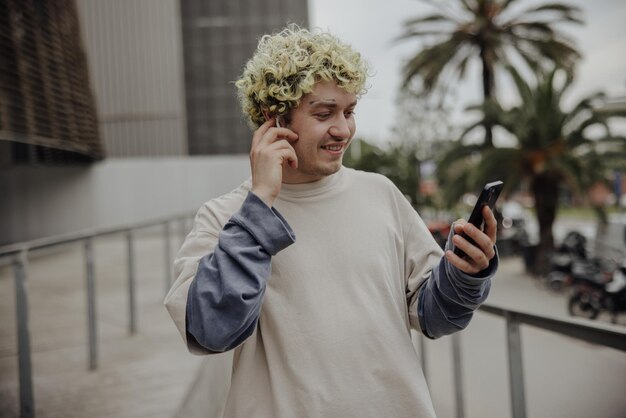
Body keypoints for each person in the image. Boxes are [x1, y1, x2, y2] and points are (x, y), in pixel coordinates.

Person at [164, 24, 498, 418]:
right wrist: (260, 204)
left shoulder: (382, 193)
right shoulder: (224, 216)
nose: (343, 129)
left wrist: (464, 274)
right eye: (324, 114)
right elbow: (211, 331)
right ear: (275, 119)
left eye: (350, 111)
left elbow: (434, 317)